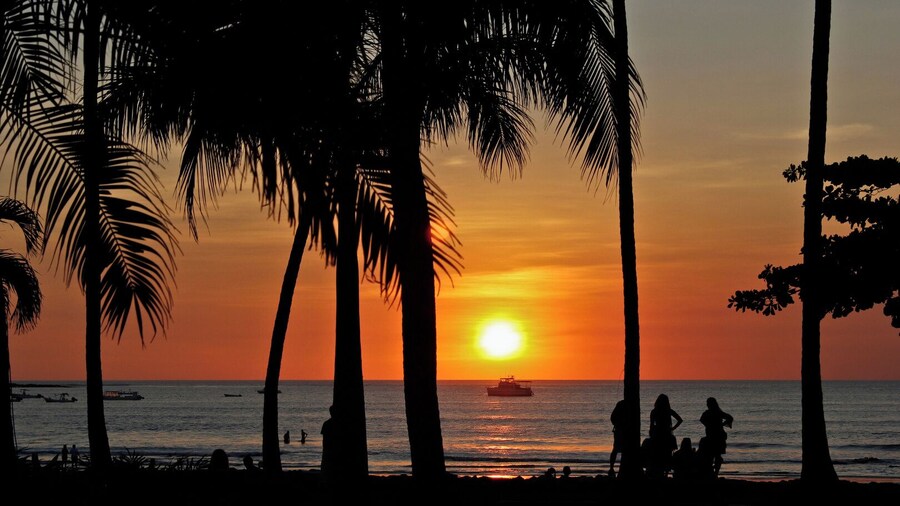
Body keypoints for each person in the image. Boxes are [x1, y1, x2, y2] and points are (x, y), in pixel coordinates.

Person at [647, 394, 682, 478]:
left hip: (657, 434)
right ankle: (665, 474)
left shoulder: (654, 411)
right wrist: (672, 428)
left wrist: (651, 434)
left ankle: (658, 473)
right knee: (667, 454)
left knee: (657, 454)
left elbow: (651, 425)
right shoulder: (669, 410)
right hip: (667, 434)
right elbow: (680, 420)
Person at [700, 397, 733, 477]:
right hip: (719, 435)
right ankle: (715, 472)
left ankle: (712, 472)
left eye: (708, 403)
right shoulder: (718, 412)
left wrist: (708, 425)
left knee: (711, 455)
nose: (707, 405)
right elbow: (730, 418)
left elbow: (702, 420)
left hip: (712, 435)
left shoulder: (707, 413)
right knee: (717, 455)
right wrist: (721, 424)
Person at [608, 399, 627, 478]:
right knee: (618, 450)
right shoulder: (623, 404)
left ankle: (612, 468)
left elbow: (612, 418)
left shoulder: (620, 404)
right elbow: (612, 418)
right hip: (620, 431)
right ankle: (612, 468)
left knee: (616, 450)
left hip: (619, 431)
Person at [320, 406, 337, 482]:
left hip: (328, 447)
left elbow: (324, 438)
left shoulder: (326, 423)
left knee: (327, 466)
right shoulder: (338, 424)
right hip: (331, 447)